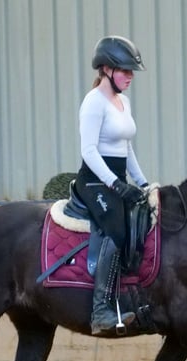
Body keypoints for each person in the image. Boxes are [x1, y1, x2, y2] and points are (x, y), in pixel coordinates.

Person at [74, 35, 150, 335]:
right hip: (94, 182)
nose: (130, 77)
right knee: (117, 230)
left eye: (132, 71)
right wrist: (116, 185)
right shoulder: (93, 102)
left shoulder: (123, 101)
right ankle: (101, 310)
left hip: (116, 179)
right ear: (106, 69)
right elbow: (89, 151)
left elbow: (126, 148)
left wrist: (143, 182)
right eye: (124, 70)